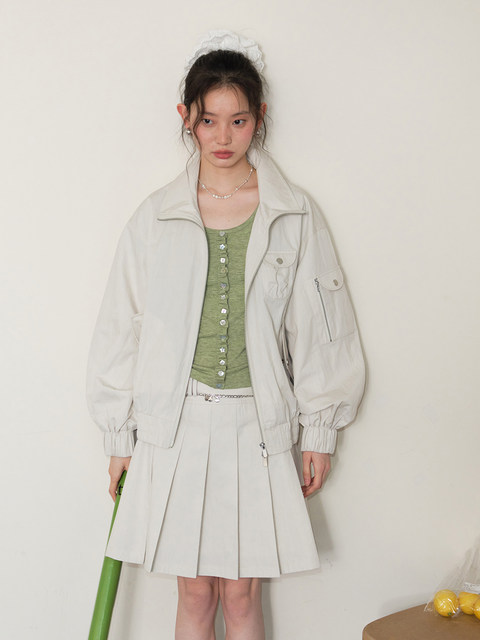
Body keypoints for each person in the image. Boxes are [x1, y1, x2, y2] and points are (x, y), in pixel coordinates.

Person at [86, 30, 365, 640]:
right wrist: (118, 435)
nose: (222, 136)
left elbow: (324, 326)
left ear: (258, 118)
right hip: (175, 427)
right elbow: (121, 326)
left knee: (241, 593)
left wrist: (320, 429)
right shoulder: (156, 216)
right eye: (208, 120)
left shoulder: (293, 213)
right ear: (186, 117)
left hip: (255, 425)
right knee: (193, 592)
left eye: (237, 121)